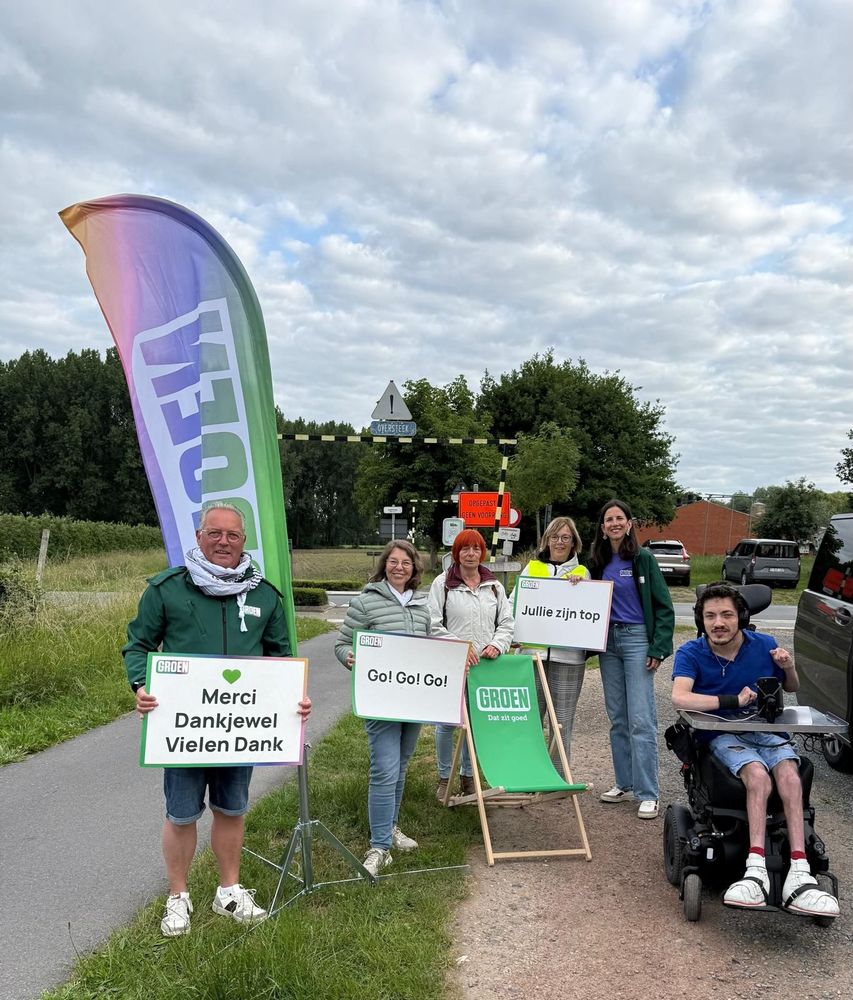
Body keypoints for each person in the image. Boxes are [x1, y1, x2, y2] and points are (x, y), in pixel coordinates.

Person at [124, 503, 312, 937]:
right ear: (199, 535)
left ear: (244, 540)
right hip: (185, 728)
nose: (224, 542)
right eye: (215, 533)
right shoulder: (167, 589)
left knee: (232, 808)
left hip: (240, 730)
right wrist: (141, 685)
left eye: (232, 535)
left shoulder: (265, 595)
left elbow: (281, 659)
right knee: (181, 813)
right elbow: (138, 645)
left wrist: (294, 700)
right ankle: (178, 896)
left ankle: (228, 891)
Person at [671, 583, 839, 917]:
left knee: (791, 774)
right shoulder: (692, 652)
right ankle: (756, 867)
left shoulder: (765, 645)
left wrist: (788, 666)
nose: (719, 622)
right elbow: (680, 697)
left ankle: (800, 869)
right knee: (758, 776)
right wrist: (732, 701)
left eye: (727, 615)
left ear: (741, 617)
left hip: (765, 730)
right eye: (711, 616)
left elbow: (791, 688)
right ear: (700, 620)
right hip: (723, 734)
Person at [335, 539, 431, 877]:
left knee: (402, 766)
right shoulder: (365, 601)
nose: (400, 567)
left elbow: (431, 645)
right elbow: (343, 642)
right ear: (384, 565)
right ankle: (379, 846)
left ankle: (389, 827)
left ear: (414, 568)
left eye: (406, 562)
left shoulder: (422, 605)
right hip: (380, 700)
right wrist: (349, 657)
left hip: (413, 700)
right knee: (384, 769)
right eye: (393, 562)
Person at [588, 498, 674, 820]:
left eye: (619, 518)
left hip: (637, 639)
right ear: (602, 526)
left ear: (629, 523)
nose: (613, 523)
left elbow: (664, 607)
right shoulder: (596, 561)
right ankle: (623, 783)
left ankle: (648, 792)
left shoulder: (643, 559)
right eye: (608, 519)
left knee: (641, 718)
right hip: (607, 642)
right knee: (618, 718)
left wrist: (658, 647)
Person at [428, 529, 515, 799]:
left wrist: (497, 645)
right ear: (456, 553)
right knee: (446, 723)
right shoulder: (442, 584)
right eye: (465, 549)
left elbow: (506, 624)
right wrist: (460, 647)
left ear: (482, 553)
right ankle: (445, 777)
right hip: (452, 664)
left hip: (485, 668)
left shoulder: (495, 586)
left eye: (476, 549)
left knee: (474, 725)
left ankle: (468, 776)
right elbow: (432, 625)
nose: (471, 554)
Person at [519, 516, 589, 776]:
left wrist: (582, 590)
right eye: (555, 537)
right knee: (532, 720)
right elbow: (518, 604)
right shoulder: (531, 569)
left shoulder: (583, 573)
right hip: (533, 657)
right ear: (546, 541)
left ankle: (559, 776)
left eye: (565, 537)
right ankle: (531, 772)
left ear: (574, 543)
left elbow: (588, 612)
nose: (559, 542)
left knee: (562, 722)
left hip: (569, 658)